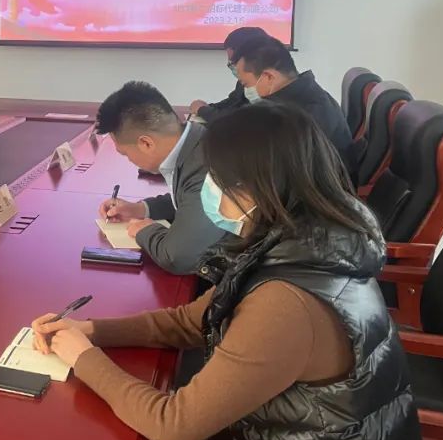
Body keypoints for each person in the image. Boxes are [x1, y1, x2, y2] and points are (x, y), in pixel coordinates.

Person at [33, 105, 432, 440]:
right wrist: (93, 331)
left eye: (217, 180)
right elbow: (191, 320)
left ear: (258, 187)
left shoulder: (286, 302)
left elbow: (173, 425)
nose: (208, 191)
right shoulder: (304, 242)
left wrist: (84, 358)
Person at [95, 81, 226, 274]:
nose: (129, 161)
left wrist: (145, 231)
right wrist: (140, 209)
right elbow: (187, 198)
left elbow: (179, 257)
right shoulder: (196, 140)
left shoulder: (204, 167)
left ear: (146, 144)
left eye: (125, 154)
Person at [233, 35, 359, 172]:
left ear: (268, 77)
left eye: (246, 84)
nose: (246, 90)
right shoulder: (298, 96)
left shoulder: (308, 113)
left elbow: (284, 169)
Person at [188, 26, 266, 122]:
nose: (233, 67)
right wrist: (207, 107)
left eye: (234, 62)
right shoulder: (246, 79)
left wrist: (202, 110)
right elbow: (232, 102)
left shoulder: (274, 87)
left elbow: (234, 120)